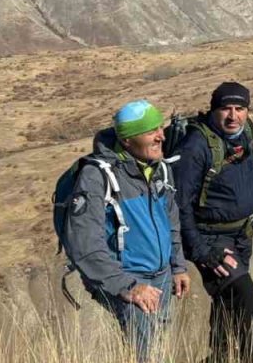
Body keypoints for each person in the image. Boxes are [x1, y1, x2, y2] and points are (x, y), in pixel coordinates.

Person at [66, 100, 190, 363]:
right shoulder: (98, 176)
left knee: (158, 351)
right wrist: (128, 287)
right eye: (150, 131)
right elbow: (84, 245)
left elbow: (171, 222)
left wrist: (178, 266)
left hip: (162, 279)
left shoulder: (160, 168)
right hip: (129, 281)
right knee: (146, 355)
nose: (161, 136)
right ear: (126, 141)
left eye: (160, 127)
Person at [172, 82, 253, 362]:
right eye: (226, 108)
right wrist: (202, 251)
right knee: (245, 295)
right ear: (213, 110)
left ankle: (221, 355)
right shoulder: (195, 146)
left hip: (242, 234)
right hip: (212, 239)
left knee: (228, 300)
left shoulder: (246, 132)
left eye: (240, 108)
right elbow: (179, 205)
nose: (233, 116)